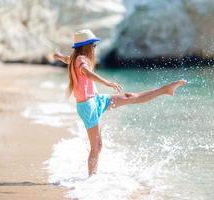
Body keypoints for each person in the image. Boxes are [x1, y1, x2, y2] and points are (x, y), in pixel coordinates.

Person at [53, 29, 186, 176]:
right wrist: (107, 82)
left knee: (129, 97)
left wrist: (58, 56)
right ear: (86, 46)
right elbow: (87, 72)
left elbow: (67, 59)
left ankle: (165, 90)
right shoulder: (81, 60)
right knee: (96, 147)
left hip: (96, 101)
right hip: (88, 107)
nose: (94, 48)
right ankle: (91, 180)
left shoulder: (75, 58)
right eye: (93, 45)